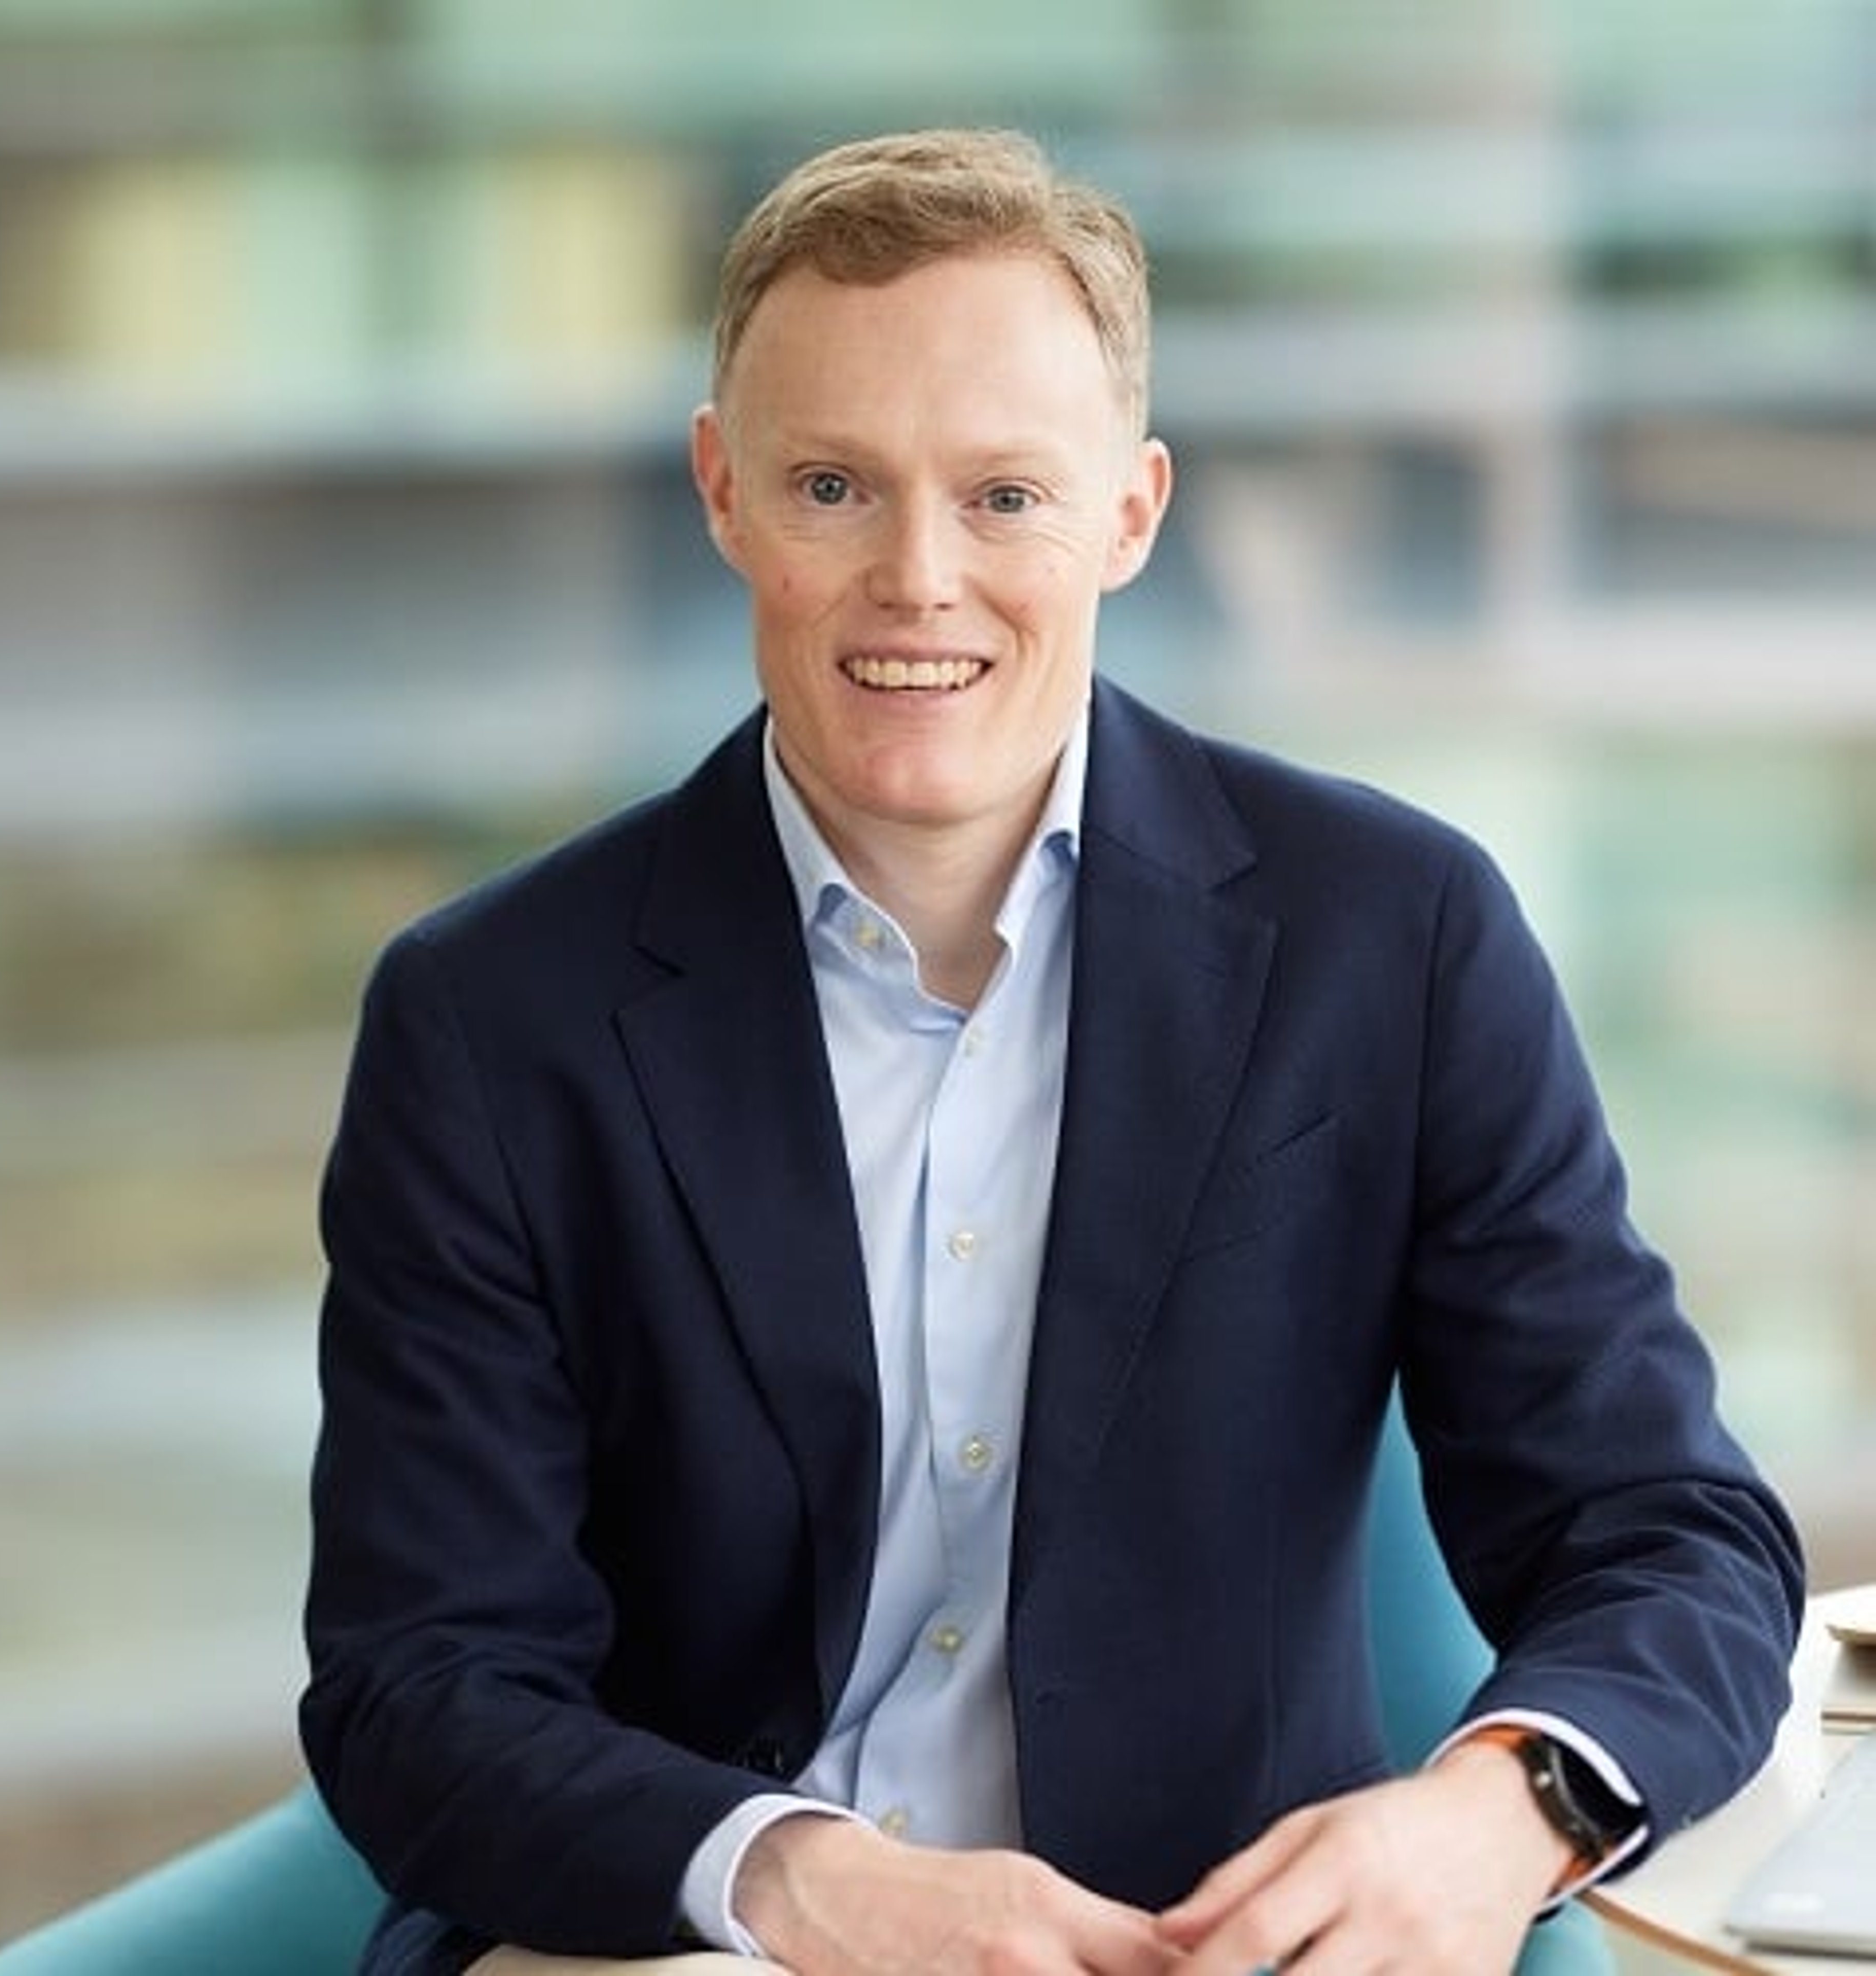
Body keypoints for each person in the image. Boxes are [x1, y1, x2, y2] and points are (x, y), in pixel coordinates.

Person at [300, 128, 1803, 1975]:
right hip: (684, 1948)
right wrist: (794, 1879)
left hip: (1205, 1947)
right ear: (723, 494)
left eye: (1006, 494)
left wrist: (1497, 1814)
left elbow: (1670, 1534)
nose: (919, 577)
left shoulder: (1392, 938)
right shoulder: (486, 1019)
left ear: (1133, 511)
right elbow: (417, 1682)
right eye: (836, 485)